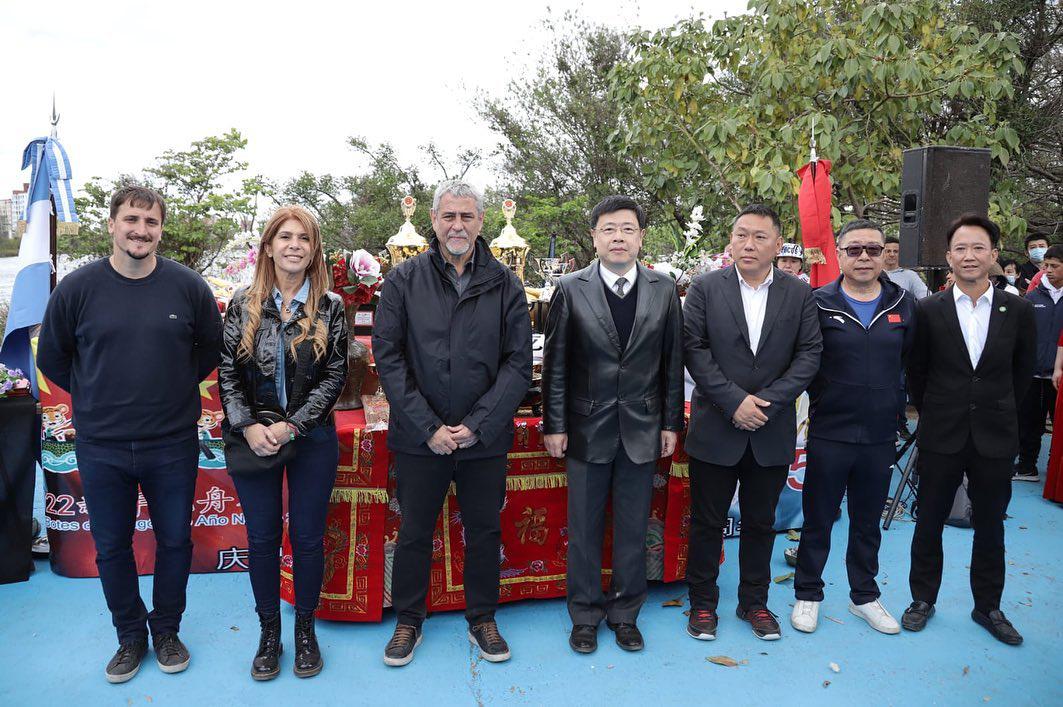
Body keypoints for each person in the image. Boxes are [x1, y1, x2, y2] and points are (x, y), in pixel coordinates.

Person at [36, 186, 223, 683]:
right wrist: (97, 394)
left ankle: (165, 629)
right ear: (113, 224)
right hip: (102, 445)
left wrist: (167, 388)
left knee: (175, 541)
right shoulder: (77, 289)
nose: (141, 230)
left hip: (171, 443)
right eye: (132, 220)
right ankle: (130, 636)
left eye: (151, 222)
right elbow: (51, 358)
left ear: (161, 229)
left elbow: (208, 351)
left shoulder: (188, 288)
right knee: (112, 546)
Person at [373, 180, 532, 666]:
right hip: (421, 438)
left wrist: (478, 424)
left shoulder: (506, 283)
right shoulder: (403, 280)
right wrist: (429, 426)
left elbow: (518, 363)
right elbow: (388, 357)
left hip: (483, 439)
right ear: (434, 221)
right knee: (416, 529)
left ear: (481, 222)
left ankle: (482, 617)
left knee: (484, 530)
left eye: (466, 217)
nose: (457, 226)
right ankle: (408, 620)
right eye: (449, 217)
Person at [542, 195, 684, 654]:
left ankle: (626, 615)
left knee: (631, 527)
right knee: (583, 528)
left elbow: (671, 363)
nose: (618, 237)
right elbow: (556, 364)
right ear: (594, 238)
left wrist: (670, 422)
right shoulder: (569, 288)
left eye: (627, 228)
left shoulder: (664, 289)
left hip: (643, 427)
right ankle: (584, 615)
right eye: (608, 229)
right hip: (585, 427)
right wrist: (555, 424)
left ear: (641, 237)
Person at [218, 206, 348, 680]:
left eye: (304, 239)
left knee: (309, 538)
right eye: (285, 237)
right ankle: (269, 632)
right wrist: (249, 425)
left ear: (314, 251)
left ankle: (305, 631)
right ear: (268, 246)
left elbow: (335, 376)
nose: (294, 245)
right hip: (253, 438)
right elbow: (228, 374)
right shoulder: (242, 303)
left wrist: (294, 425)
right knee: (263, 537)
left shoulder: (331, 307)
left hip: (310, 438)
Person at [682, 204, 822, 642]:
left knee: (762, 523)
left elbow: (810, 355)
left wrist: (767, 402)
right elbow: (694, 349)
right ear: (730, 239)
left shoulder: (799, 295)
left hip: (771, 425)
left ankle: (754, 603)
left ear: (778, 245)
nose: (749, 243)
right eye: (741, 234)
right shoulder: (705, 288)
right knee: (707, 521)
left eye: (760, 236)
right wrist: (733, 401)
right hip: (716, 425)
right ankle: (703, 603)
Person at [902, 214, 1035, 646]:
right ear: (948, 257)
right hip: (942, 432)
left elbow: (1021, 377)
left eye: (979, 247)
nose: (969, 255)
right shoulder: (928, 310)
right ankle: (922, 598)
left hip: (995, 436)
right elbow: (917, 373)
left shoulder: (1017, 309)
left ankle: (988, 607)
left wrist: (999, 415)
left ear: (994, 255)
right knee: (929, 521)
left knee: (991, 524)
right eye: (960, 248)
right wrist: (938, 411)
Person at [791, 219, 915, 635]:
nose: (864, 257)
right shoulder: (817, 302)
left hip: (880, 435)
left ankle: (864, 595)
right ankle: (807, 594)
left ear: (885, 255)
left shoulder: (903, 304)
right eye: (854, 250)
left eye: (873, 250)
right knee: (818, 519)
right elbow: (802, 363)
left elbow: (914, 366)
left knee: (866, 522)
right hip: (830, 431)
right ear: (839, 254)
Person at [1013, 244, 1063, 482]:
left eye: (1055, 266)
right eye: (1046, 266)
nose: (1048, 270)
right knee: (1028, 422)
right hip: (1032, 374)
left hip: (1059, 376)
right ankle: (1026, 466)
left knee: (1059, 427)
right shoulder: (1032, 298)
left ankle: (1056, 471)